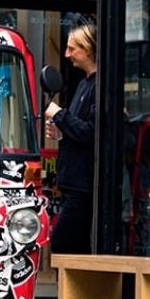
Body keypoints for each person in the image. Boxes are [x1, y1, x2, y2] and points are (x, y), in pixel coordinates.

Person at [44, 22, 97, 255]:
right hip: (73, 180)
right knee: (68, 245)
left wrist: (59, 114)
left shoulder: (99, 86)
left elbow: (92, 132)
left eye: (72, 48)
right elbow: (80, 130)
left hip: (83, 183)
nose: (67, 55)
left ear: (87, 49)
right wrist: (62, 132)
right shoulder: (83, 84)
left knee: (64, 243)